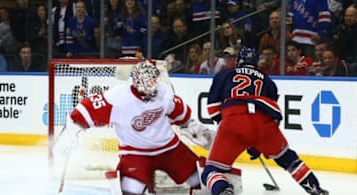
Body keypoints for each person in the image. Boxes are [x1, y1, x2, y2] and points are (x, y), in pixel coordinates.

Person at [53, 60, 214, 194]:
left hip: (169, 148)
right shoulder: (118, 98)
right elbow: (83, 112)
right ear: (137, 82)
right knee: (130, 189)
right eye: (148, 81)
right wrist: (70, 133)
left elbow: (181, 115)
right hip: (135, 153)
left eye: (154, 80)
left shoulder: (163, 91)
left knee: (201, 180)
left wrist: (197, 131)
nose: (153, 85)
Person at [201, 47, 329, 195]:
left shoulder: (224, 74)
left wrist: (225, 124)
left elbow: (212, 108)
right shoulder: (268, 81)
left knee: (211, 171)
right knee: (289, 159)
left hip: (233, 120)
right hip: (264, 124)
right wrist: (256, 145)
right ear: (256, 62)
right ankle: (315, 189)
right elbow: (272, 115)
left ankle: (223, 191)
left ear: (238, 61)